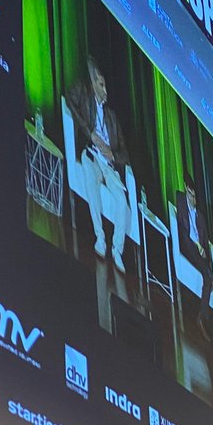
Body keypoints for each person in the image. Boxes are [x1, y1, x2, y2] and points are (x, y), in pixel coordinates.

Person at [67, 56, 132, 273]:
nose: (106, 90)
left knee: (123, 204)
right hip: (92, 156)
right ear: (93, 83)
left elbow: (125, 154)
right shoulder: (85, 96)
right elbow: (69, 99)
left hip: (110, 166)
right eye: (101, 84)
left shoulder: (112, 117)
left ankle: (117, 250)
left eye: (105, 85)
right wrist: (91, 134)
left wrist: (112, 154)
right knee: (89, 175)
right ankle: (100, 239)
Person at [175, 172, 213, 341]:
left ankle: (202, 318)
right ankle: (212, 277)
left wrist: (203, 250)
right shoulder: (180, 200)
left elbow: (206, 242)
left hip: (199, 254)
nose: (193, 200)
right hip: (187, 245)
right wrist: (196, 246)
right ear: (187, 190)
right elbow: (182, 229)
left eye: (195, 197)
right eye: (191, 195)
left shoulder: (200, 217)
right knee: (192, 247)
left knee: (206, 280)